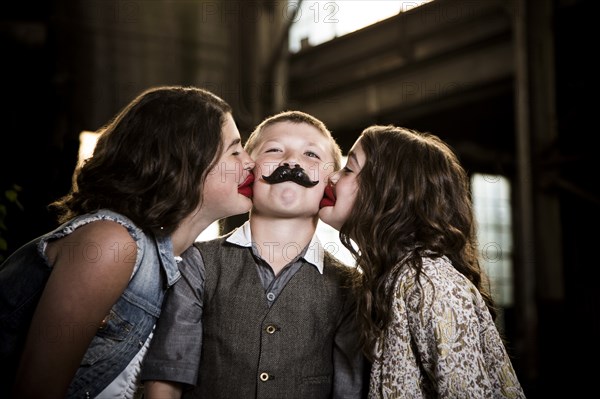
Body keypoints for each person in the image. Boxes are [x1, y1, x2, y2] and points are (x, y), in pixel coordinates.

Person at [0, 85, 256, 399]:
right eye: (235, 150)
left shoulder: (182, 269)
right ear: (182, 162)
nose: (250, 163)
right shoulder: (112, 243)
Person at [141, 110, 365, 399]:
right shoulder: (198, 263)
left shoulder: (350, 287)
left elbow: (348, 391)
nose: (291, 161)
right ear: (248, 172)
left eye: (311, 155)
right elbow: (166, 379)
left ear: (330, 185)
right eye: (274, 150)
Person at [319, 125, 526, 398]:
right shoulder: (395, 279)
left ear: (388, 191)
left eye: (348, 169)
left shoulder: (432, 285)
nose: (333, 177)